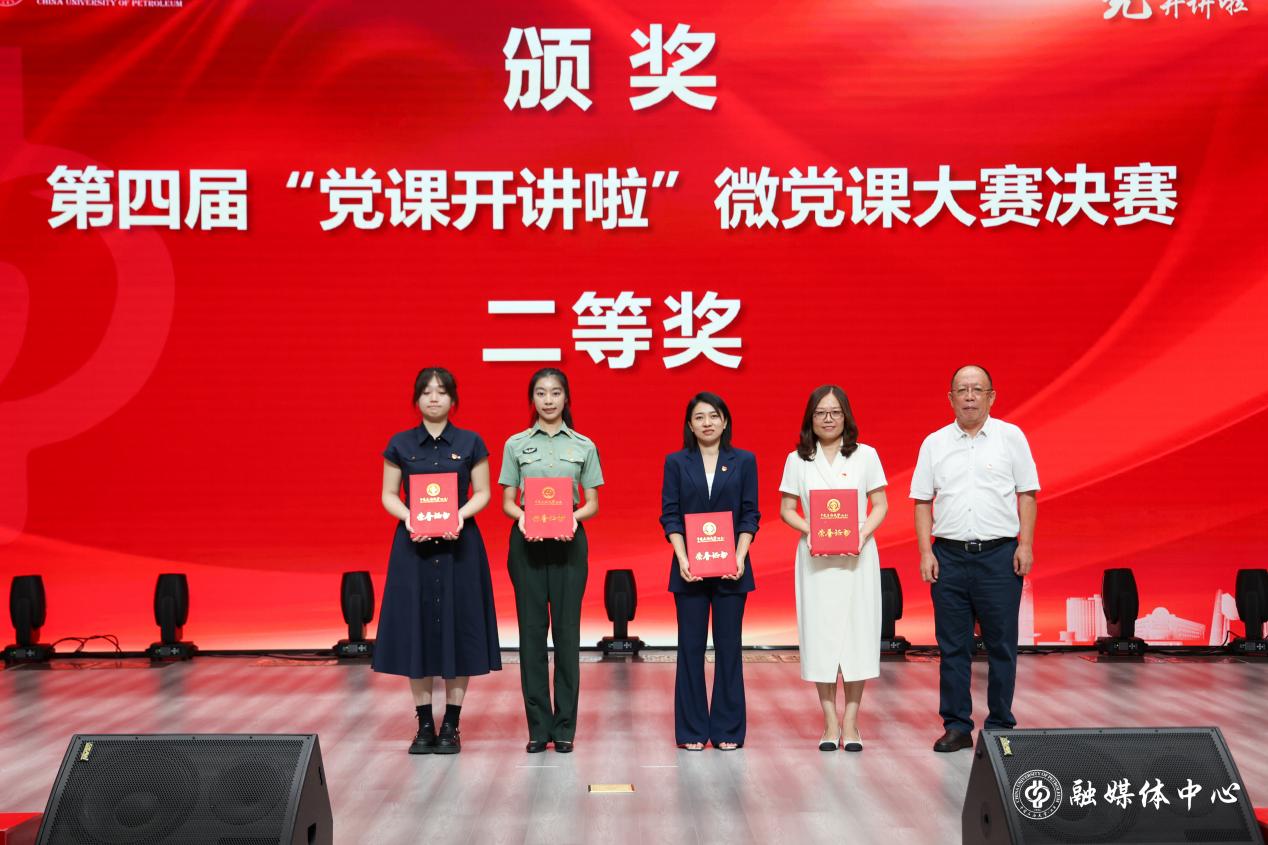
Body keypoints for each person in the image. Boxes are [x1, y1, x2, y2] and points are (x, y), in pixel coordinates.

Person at [372, 367, 501, 756]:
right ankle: (424, 722)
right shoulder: (399, 443)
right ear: (416, 399)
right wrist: (410, 517)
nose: (433, 398)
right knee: (418, 631)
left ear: (453, 399)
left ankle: (451, 724)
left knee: (459, 630)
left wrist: (459, 515)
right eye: (426, 391)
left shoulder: (471, 441)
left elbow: (483, 492)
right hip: (413, 548)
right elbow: (388, 494)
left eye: (441, 391)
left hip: (460, 548)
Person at [911, 365, 1039, 753]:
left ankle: (1000, 724)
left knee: (1001, 645)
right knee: (953, 647)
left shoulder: (1011, 437)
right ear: (950, 398)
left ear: (991, 396)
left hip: (1000, 556)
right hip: (948, 557)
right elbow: (922, 501)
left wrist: (1025, 545)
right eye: (962, 390)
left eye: (977, 389)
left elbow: (1027, 493)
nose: (969, 396)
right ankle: (956, 726)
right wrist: (925, 551)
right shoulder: (934, 443)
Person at [779, 385, 888, 752]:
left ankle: (852, 722)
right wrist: (814, 530)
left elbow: (880, 504)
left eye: (835, 412)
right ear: (810, 418)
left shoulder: (866, 455)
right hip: (815, 558)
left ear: (846, 416)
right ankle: (829, 722)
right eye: (821, 413)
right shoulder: (797, 459)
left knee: (858, 636)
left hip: (858, 556)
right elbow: (787, 509)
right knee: (821, 638)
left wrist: (861, 534)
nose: (828, 419)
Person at [499, 368, 603, 754]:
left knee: (567, 635)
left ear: (566, 398)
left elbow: (592, 503)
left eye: (555, 393)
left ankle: (564, 728)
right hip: (526, 543)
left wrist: (572, 519)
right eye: (541, 393)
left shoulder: (584, 445)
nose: (548, 400)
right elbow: (508, 501)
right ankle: (538, 728)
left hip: (568, 543)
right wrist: (522, 517)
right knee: (531, 636)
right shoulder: (516, 444)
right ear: (533, 399)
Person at [660, 392, 760, 751]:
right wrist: (682, 557)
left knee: (729, 649)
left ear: (725, 421)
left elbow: (750, 513)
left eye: (714, 416)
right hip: (689, 570)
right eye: (700, 417)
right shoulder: (676, 462)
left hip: (732, 569)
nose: (707, 423)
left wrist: (739, 555)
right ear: (690, 424)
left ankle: (728, 729)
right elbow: (670, 514)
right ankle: (691, 730)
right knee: (690, 648)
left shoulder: (744, 460)